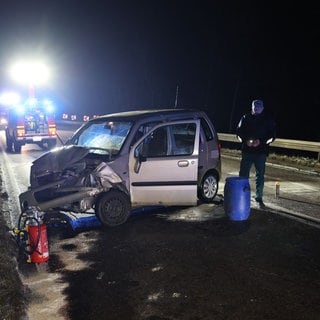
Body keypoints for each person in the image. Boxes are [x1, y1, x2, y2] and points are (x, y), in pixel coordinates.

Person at [236, 99, 276, 208]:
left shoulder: (268, 120)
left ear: (262, 108)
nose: (256, 108)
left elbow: (272, 136)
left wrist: (261, 142)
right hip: (247, 152)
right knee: (243, 175)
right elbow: (238, 133)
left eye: (258, 106)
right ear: (252, 107)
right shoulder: (245, 118)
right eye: (254, 106)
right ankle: (241, 194)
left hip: (261, 152)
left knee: (260, 176)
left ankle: (259, 197)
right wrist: (245, 141)